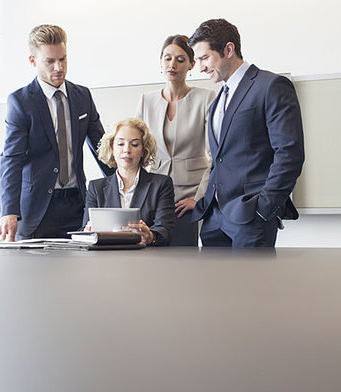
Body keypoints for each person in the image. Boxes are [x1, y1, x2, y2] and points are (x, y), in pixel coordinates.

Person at [188, 19, 305, 247]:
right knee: (214, 284)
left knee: (251, 284)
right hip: (213, 220)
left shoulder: (271, 86)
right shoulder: (217, 101)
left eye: (204, 58)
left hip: (251, 217)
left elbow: (289, 154)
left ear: (228, 49)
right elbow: (220, 160)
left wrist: (264, 208)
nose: (200, 67)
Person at [0, 24, 112, 241]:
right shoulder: (21, 102)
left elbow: (102, 149)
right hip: (37, 209)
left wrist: (128, 189)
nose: (58, 67)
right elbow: (11, 158)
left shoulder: (82, 96)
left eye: (63, 59)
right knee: (33, 274)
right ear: (33, 61)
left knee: (76, 273)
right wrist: (9, 210)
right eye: (50, 61)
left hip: (77, 205)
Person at [135, 35, 216, 246]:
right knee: (152, 258)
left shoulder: (205, 98)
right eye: (167, 58)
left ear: (191, 64)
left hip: (188, 195)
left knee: (184, 258)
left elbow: (216, 155)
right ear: (160, 61)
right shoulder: (146, 100)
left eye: (180, 60)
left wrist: (199, 198)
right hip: (154, 194)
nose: (172, 64)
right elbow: (136, 149)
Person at [82, 118, 175, 246]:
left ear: (143, 150)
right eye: (120, 144)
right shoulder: (95, 187)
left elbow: (164, 231)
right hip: (106, 259)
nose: (127, 150)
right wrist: (87, 232)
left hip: (147, 258)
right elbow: (85, 231)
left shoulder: (162, 184)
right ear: (112, 148)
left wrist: (150, 236)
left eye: (135, 144)